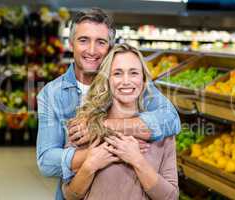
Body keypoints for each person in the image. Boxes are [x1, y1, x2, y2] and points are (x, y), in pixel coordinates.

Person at [36, 8, 180, 200]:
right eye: (83, 40)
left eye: (101, 42)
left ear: (110, 46)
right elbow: (46, 161)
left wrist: (101, 127)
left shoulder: (132, 86)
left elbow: (171, 119)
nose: (92, 50)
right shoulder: (52, 94)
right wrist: (94, 155)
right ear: (71, 43)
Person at [63, 43, 179, 200]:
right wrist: (90, 165)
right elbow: (70, 195)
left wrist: (137, 161)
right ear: (107, 79)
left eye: (133, 73)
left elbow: (171, 197)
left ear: (144, 80)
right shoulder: (83, 127)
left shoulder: (162, 132)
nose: (126, 81)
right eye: (117, 73)